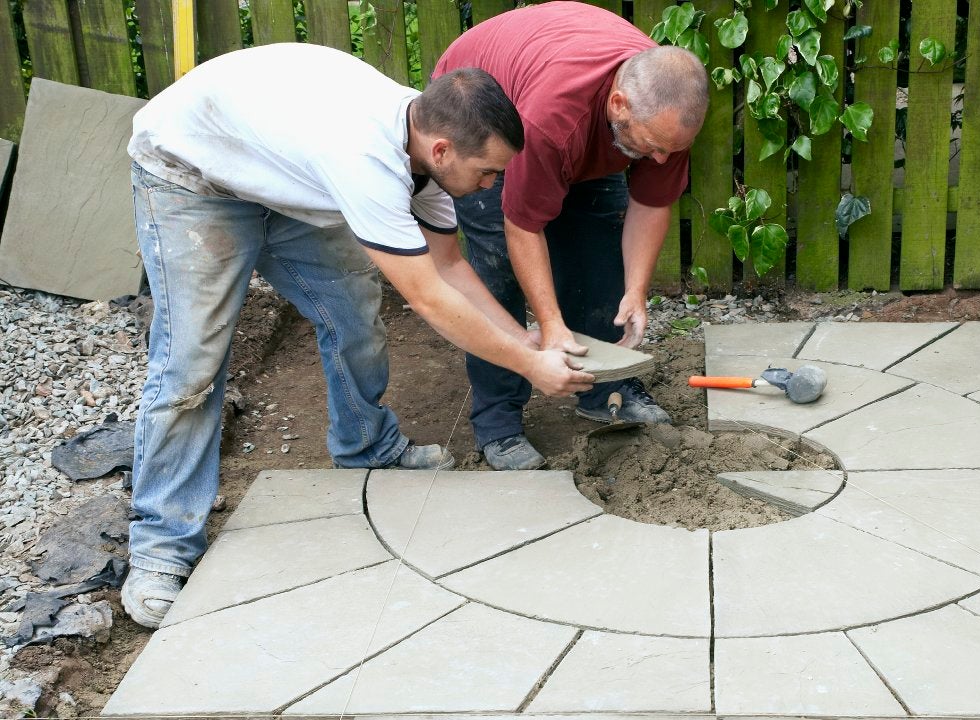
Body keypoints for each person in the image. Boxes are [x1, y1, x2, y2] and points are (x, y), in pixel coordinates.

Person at [121, 42, 595, 629]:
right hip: (193, 176)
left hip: (283, 175)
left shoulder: (427, 154)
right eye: (489, 172)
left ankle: (367, 446)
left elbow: (450, 267)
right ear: (443, 149)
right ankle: (162, 548)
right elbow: (427, 295)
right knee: (191, 361)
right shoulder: (364, 159)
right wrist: (532, 371)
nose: (493, 185)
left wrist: (529, 345)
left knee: (352, 314)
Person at [433, 1, 710, 471]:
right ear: (618, 104)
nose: (661, 160)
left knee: (597, 246)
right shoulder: (551, 120)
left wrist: (637, 291)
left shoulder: (666, 115)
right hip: (483, 114)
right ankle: (498, 420)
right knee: (497, 269)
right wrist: (551, 323)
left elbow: (651, 203)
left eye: (671, 150)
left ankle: (604, 391)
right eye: (653, 146)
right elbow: (523, 226)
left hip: (578, 118)